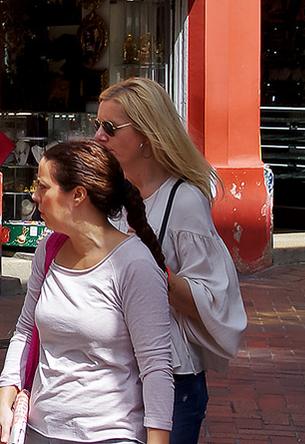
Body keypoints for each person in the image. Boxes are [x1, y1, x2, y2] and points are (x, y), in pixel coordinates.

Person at [0, 140, 174, 444]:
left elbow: (156, 367)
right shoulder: (48, 251)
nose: (34, 196)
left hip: (109, 434)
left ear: (77, 194)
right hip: (38, 430)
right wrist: (5, 394)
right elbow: (25, 330)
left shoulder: (135, 265)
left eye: (43, 186)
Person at [97, 78, 247, 444]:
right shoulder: (111, 194)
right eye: (97, 125)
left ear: (146, 135)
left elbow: (212, 299)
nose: (99, 136)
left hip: (172, 377)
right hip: (118, 371)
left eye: (110, 128)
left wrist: (149, 270)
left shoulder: (184, 201)